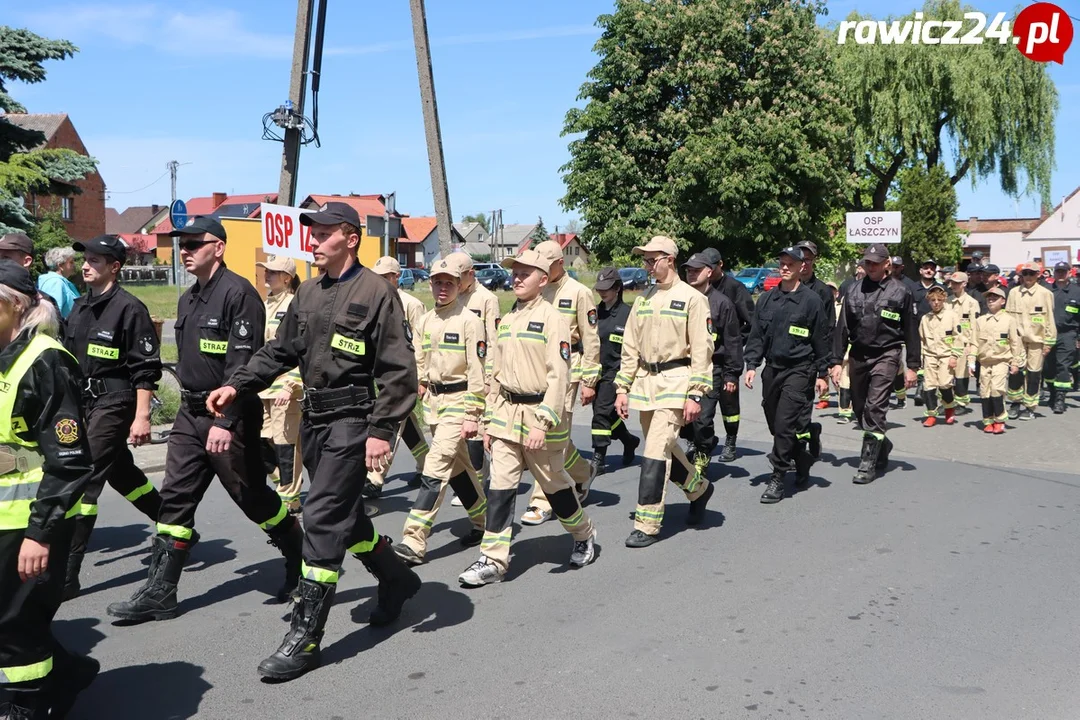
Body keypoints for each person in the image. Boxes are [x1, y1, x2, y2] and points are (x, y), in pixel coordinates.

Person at [206, 202, 421, 681]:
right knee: (345, 517)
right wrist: (237, 384)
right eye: (312, 234)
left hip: (354, 421)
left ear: (350, 237)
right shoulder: (308, 294)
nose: (313, 242)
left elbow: (400, 374)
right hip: (316, 420)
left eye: (323, 233)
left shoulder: (378, 293)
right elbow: (279, 350)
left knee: (321, 518)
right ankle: (396, 577)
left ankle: (305, 637)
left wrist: (382, 432)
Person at [106, 216, 302, 624]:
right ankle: (161, 591)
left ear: (219, 247)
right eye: (183, 244)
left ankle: (299, 557)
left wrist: (225, 421)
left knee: (253, 499)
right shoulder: (188, 297)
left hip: (227, 415)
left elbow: (241, 364)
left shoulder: (239, 294)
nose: (186, 250)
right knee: (175, 499)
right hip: (189, 415)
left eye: (196, 243)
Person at [457, 249, 597, 586]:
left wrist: (543, 421)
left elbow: (559, 377)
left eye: (526, 273)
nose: (517, 278)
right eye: (515, 272)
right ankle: (492, 559)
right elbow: (494, 371)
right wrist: (488, 419)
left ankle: (583, 533)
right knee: (501, 488)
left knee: (555, 486)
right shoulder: (508, 319)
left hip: (538, 415)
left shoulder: (553, 319)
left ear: (543, 279)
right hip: (506, 414)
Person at [0, 261, 97, 720]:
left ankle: (30, 706)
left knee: (17, 624)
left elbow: (70, 460)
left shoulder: (47, 360)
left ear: (13, 306)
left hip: (29, 522)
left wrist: (40, 534)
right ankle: (70, 674)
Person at [61, 235, 164, 601]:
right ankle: (173, 523)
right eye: (85, 259)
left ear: (114, 267)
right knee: (122, 473)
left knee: (86, 478)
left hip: (117, 402)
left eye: (95, 260)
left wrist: (142, 418)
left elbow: (146, 370)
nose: (86, 265)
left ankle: (68, 575)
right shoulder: (79, 307)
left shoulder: (129, 309)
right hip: (84, 403)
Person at [616, 236, 715, 548]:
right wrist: (622, 387)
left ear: (670, 259)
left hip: (676, 381)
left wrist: (696, 393)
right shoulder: (643, 298)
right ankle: (698, 489)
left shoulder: (692, 299)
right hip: (646, 383)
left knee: (655, 451)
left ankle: (647, 523)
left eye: (652, 260)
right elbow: (630, 345)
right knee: (666, 447)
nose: (647, 266)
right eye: (644, 260)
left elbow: (702, 348)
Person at [393, 257, 487, 565]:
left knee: (434, 467)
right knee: (459, 469)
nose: (442, 288)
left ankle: (414, 538)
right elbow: (419, 361)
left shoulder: (470, 321)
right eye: (437, 282)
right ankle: (486, 522)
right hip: (434, 406)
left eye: (449, 282)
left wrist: (473, 414)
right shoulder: (426, 320)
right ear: (430, 284)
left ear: (460, 285)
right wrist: (415, 386)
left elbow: (478, 371)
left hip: (459, 403)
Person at [520, 240, 600, 523]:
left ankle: (541, 501)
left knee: (551, 435)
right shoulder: (533, 292)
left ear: (560, 264)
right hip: (536, 370)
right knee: (557, 436)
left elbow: (590, 338)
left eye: (548, 264)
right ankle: (582, 472)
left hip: (568, 369)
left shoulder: (579, 292)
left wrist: (590, 379)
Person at [743, 247, 830, 503]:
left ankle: (778, 477)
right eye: (781, 263)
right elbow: (757, 335)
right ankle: (801, 458)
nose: (784, 267)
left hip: (800, 370)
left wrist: (823, 373)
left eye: (790, 264)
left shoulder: (811, 301)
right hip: (773, 370)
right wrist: (751, 365)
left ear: (801, 266)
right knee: (774, 422)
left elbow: (821, 340)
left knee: (784, 425)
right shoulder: (768, 299)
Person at [831, 245, 919, 484]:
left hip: (886, 354)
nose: (871, 266)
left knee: (875, 407)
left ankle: (867, 463)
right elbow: (843, 327)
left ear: (887, 264)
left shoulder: (901, 291)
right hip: (858, 354)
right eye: (867, 262)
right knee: (859, 410)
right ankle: (882, 443)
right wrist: (837, 361)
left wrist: (912, 365)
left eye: (875, 262)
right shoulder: (853, 290)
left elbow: (911, 330)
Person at [366, 256, 429, 498]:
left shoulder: (411, 304)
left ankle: (375, 477)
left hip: (404, 374)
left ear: (396, 277)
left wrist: (420, 378)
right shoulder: (374, 301)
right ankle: (425, 462)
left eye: (385, 277)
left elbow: (420, 342)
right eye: (377, 277)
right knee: (406, 422)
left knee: (390, 421)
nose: (380, 281)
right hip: (382, 373)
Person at [679, 252, 742, 474]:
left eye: (696, 270)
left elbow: (733, 341)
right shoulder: (680, 299)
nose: (691, 274)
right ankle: (701, 441)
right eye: (688, 270)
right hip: (681, 368)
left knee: (702, 418)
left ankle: (702, 457)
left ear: (709, 271)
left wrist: (732, 374)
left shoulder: (721, 303)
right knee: (680, 420)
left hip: (711, 368)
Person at [447, 253, 500, 507]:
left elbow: (493, 340)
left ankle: (479, 482)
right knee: (462, 430)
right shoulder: (455, 297)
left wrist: (489, 375)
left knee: (478, 427)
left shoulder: (487, 299)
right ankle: (470, 480)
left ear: (471, 273)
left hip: (480, 370)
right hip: (459, 371)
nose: (455, 282)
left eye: (460, 277)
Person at [256, 255, 304, 515]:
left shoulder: (295, 306)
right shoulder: (264, 304)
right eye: (266, 271)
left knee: (286, 445)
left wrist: (292, 384)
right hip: (263, 386)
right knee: (262, 443)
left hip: (285, 388)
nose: (267, 275)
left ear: (287, 277)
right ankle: (283, 484)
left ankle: (289, 498)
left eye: (273, 272)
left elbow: (303, 352)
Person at [701, 246, 751, 461]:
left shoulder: (735, 288)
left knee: (729, 403)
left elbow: (751, 321)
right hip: (703, 359)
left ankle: (730, 440)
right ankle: (703, 440)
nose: (709, 272)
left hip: (726, 355)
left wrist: (737, 343)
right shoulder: (697, 287)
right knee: (702, 406)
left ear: (720, 265)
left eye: (712, 267)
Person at [589, 267, 640, 478]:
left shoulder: (629, 314)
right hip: (596, 371)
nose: (602, 292)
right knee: (608, 413)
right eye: (599, 288)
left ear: (618, 288)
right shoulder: (594, 312)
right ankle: (629, 441)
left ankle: (598, 457)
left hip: (617, 371)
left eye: (607, 288)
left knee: (601, 412)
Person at [1005, 263, 1056, 421]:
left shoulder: (1045, 294)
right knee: (1015, 372)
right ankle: (1015, 403)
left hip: (1036, 341)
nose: (1028, 276)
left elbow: (1049, 320)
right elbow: (1007, 318)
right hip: (1017, 341)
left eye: (1031, 273)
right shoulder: (1013, 293)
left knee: (1034, 374)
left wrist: (1048, 343)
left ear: (1038, 275)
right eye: (1025, 273)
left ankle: (1030, 406)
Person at [973, 287, 1023, 434]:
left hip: (1001, 361)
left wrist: (1015, 363)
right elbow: (974, 342)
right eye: (989, 298)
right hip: (984, 362)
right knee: (984, 391)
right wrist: (971, 361)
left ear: (1003, 301)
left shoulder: (1009, 321)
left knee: (996, 389)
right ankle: (988, 419)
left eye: (995, 298)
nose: (991, 300)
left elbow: (1015, 343)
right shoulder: (980, 321)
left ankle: (999, 419)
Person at [794, 241, 836, 410]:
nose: (804, 264)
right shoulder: (784, 288)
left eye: (808, 260)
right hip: (787, 355)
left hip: (810, 355)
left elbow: (829, 327)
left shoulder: (822, 291)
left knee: (802, 405)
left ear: (814, 261)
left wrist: (826, 364)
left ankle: (804, 434)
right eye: (801, 259)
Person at [917, 285, 964, 427]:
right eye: (932, 300)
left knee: (944, 384)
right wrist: (920, 358)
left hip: (946, 355)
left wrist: (954, 356)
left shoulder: (952, 316)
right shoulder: (925, 319)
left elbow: (958, 337)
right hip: (930, 355)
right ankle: (931, 414)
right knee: (929, 386)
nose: (936, 303)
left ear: (944, 300)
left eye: (939, 300)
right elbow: (921, 340)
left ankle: (949, 407)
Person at [1045, 261, 1080, 414]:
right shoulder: (1046, 291)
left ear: (1069, 273)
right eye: (1058, 271)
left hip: (1068, 334)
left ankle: (1060, 398)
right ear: (1054, 273)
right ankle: (1052, 393)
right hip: (1047, 334)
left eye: (1063, 271)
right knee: (1048, 368)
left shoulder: (1076, 292)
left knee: (1063, 365)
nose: (1060, 274)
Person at [946, 271, 981, 411]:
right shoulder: (947, 301)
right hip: (948, 343)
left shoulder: (972, 303)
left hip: (964, 344)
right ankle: (948, 402)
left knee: (961, 374)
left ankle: (961, 403)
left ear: (964, 284)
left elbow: (975, 328)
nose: (953, 285)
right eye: (952, 283)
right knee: (947, 374)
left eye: (957, 283)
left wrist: (972, 348)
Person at [888, 257, 920, 408]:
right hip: (885, 336)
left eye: (896, 267)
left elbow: (911, 316)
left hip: (901, 336)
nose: (893, 269)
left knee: (897, 368)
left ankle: (901, 396)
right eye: (891, 266)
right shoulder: (883, 285)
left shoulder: (908, 286)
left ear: (902, 267)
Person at [37, 247, 80, 319]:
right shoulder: (55, 283)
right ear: (60, 265)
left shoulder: (61, 282)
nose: (74, 265)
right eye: (71, 262)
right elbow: (52, 315)